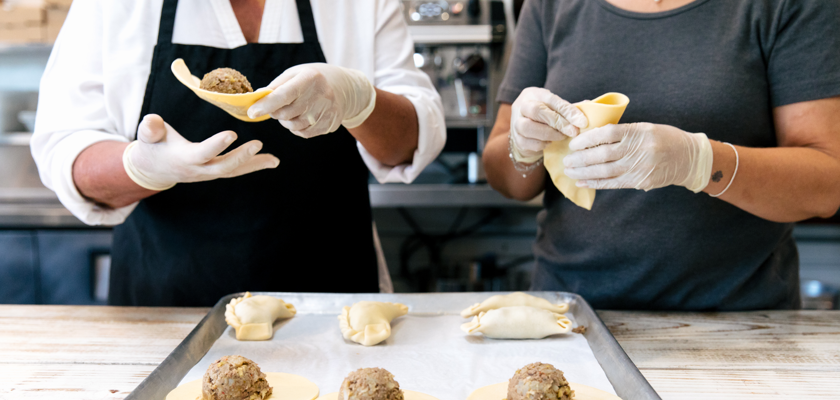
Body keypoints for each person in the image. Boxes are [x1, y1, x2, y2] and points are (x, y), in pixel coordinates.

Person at [31, 0, 445, 306]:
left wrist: (361, 101)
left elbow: (411, 142)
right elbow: (65, 148)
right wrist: (140, 167)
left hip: (333, 308)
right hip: (164, 314)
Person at [483, 0, 840, 310]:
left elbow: (828, 183)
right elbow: (506, 177)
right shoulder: (550, 5)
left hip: (736, 323)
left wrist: (699, 162)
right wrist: (523, 146)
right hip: (569, 317)